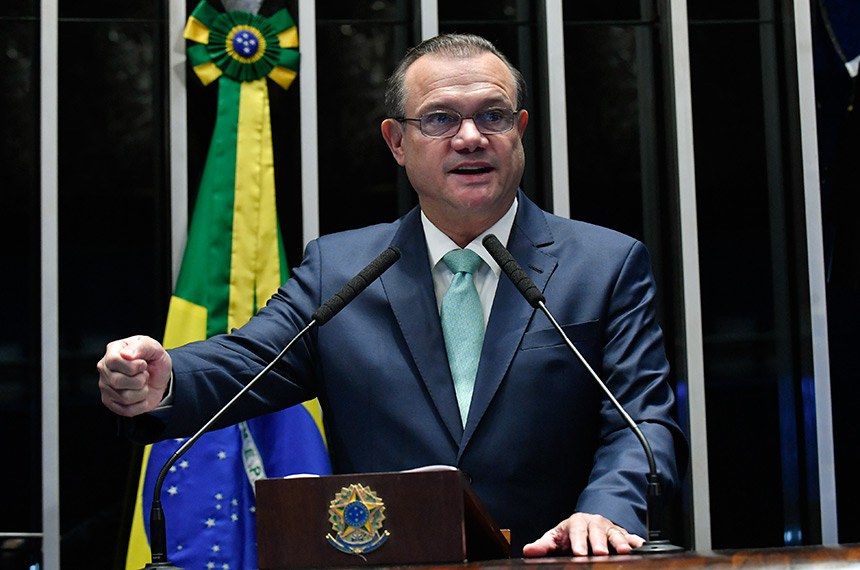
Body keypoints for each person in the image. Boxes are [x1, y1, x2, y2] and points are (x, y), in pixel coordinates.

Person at [98, 33, 685, 557]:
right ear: (397, 141)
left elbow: (642, 420)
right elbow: (251, 360)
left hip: (553, 559)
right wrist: (164, 377)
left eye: (493, 116)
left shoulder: (604, 266)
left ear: (520, 130)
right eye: (440, 119)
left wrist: (605, 511)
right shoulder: (341, 271)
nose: (471, 138)